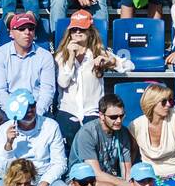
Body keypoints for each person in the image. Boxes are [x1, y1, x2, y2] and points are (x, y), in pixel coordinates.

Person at [54, 9, 132, 140]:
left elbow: (129, 66)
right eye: (74, 29)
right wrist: (71, 58)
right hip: (68, 110)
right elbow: (63, 83)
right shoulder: (62, 55)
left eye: (82, 29)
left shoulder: (98, 52)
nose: (78, 32)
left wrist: (110, 62)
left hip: (93, 111)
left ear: (90, 31)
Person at [0, 88, 70, 186]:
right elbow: (1, 169)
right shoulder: (4, 129)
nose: (30, 110)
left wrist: (45, 182)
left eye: (32, 106)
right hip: (15, 177)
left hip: (43, 174)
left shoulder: (51, 126)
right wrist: (8, 144)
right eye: (25, 110)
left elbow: (60, 163)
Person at [129, 83, 175, 186]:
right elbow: (132, 154)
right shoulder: (136, 125)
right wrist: (128, 179)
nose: (168, 105)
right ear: (151, 103)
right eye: (163, 102)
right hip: (151, 177)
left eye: (170, 101)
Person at [0, 11, 57, 115]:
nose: (27, 32)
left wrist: (35, 114)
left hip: (36, 109)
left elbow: (47, 91)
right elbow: (0, 92)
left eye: (31, 28)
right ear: (11, 33)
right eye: (21, 29)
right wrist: (15, 113)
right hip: (8, 109)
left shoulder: (45, 56)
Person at [71, 94, 135, 186]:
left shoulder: (123, 132)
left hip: (109, 177)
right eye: (113, 117)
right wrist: (128, 185)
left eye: (121, 116)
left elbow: (127, 171)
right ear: (101, 115)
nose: (118, 121)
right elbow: (95, 173)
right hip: (83, 180)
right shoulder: (88, 133)